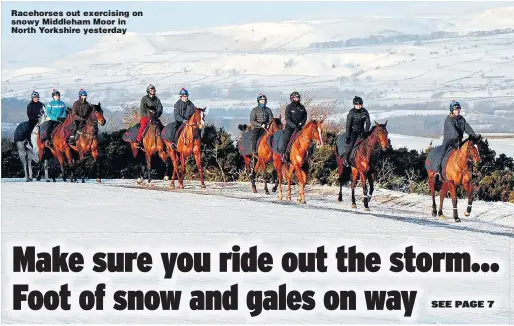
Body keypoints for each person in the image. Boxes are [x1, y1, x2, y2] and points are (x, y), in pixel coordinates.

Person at [436, 100, 480, 174]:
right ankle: (438, 171)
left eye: (459, 109)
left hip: (458, 141)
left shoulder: (461, 119)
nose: (458, 111)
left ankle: (471, 170)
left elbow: (467, 127)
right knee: (442, 154)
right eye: (456, 109)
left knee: (468, 153)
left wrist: (473, 135)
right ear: (452, 110)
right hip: (449, 141)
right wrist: (458, 138)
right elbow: (453, 131)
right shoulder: (449, 119)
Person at [279, 91, 307, 162]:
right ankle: (283, 154)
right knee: (286, 138)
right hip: (290, 127)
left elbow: (305, 117)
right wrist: (294, 126)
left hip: (299, 127)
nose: (298, 98)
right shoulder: (289, 107)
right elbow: (287, 119)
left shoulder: (302, 107)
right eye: (296, 97)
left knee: (308, 139)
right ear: (292, 98)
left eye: (298, 97)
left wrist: (301, 124)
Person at [343, 96, 371, 166]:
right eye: (357, 105)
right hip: (354, 131)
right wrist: (348, 136)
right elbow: (348, 125)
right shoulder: (351, 112)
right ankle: (345, 159)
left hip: (362, 131)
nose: (359, 106)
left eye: (360, 104)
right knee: (351, 143)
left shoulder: (365, 112)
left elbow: (368, 123)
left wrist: (365, 131)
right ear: (354, 105)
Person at [135, 84, 164, 148]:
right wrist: (148, 116)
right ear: (148, 91)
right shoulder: (144, 99)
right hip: (145, 117)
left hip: (154, 117)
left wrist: (156, 115)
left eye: (154, 90)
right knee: (143, 127)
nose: (153, 92)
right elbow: (142, 109)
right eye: (151, 90)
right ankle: (138, 141)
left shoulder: (157, 100)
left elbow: (160, 109)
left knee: (161, 127)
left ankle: (164, 141)